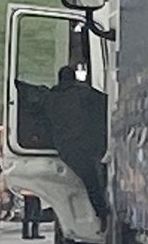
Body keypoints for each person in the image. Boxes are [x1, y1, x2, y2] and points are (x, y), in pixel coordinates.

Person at [44, 65, 108, 228]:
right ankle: (104, 213)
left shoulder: (51, 97)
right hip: (89, 143)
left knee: (90, 181)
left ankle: (102, 215)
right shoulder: (84, 93)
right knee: (96, 179)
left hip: (67, 148)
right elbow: (106, 102)